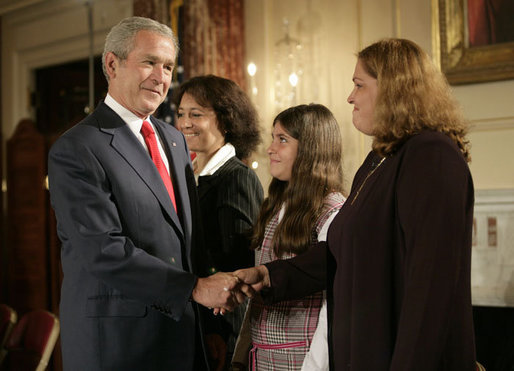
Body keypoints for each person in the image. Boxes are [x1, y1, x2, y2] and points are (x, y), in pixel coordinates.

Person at [234, 38, 477, 370]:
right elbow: (342, 252)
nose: (350, 96)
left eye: (359, 85)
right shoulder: (381, 157)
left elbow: (431, 289)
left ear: (393, 88)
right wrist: (269, 275)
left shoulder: (431, 156)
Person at [48, 16, 247, 371]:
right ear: (112, 64)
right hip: (119, 346)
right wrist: (195, 288)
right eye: (149, 62)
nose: (161, 77)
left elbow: (191, 242)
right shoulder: (76, 148)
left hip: (184, 337)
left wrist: (210, 327)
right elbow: (104, 251)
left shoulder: (173, 140)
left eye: (168, 66)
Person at [233, 104, 345, 370]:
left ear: (310, 149)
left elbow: (334, 304)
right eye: (273, 138)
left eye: (282, 140)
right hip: (263, 357)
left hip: (302, 359)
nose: (271, 148)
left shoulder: (332, 210)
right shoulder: (274, 206)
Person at [173, 75, 264, 370]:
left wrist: (219, 331)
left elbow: (238, 265)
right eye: (181, 114)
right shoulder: (191, 174)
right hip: (194, 318)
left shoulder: (237, 177)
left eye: (196, 114)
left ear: (225, 120)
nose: (185, 123)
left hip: (219, 330)